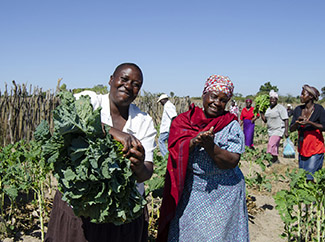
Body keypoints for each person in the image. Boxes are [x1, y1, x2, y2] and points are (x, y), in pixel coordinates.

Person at [45, 63, 157, 242]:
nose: (128, 86)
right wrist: (115, 133)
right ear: (111, 80)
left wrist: (138, 165)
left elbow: (147, 172)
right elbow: (68, 117)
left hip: (121, 211)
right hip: (79, 203)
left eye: (136, 84)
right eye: (124, 79)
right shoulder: (89, 100)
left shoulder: (143, 121)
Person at [157, 75, 249, 242]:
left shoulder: (230, 124)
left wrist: (210, 146)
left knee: (217, 237)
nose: (217, 102)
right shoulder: (185, 120)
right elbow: (175, 147)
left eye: (223, 100)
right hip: (192, 191)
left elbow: (232, 160)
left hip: (224, 193)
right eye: (213, 96)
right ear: (204, 95)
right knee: (185, 234)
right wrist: (194, 141)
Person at [290, 85, 325, 180]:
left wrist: (309, 122)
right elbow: (291, 128)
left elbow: (324, 126)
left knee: (310, 177)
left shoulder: (318, 109)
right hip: (302, 148)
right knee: (303, 176)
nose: (301, 96)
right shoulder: (298, 110)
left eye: (303, 94)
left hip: (315, 148)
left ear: (311, 96)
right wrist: (297, 123)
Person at [260, 90, 289, 164]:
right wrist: (261, 113)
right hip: (271, 131)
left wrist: (286, 131)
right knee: (274, 146)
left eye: (274, 98)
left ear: (277, 100)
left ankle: (272, 160)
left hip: (278, 130)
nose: (272, 100)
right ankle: (275, 161)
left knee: (271, 144)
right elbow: (265, 120)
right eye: (271, 98)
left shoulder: (280, 108)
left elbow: (286, 119)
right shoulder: (268, 109)